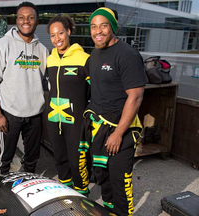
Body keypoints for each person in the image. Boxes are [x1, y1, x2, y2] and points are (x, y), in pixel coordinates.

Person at [78, 7, 148, 215]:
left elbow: (135, 97)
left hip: (121, 129)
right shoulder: (94, 56)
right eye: (93, 26)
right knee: (102, 175)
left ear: (113, 27)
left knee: (120, 180)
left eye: (103, 25)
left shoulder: (127, 55)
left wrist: (118, 134)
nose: (97, 30)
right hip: (98, 127)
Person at [0, 2, 49, 175]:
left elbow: (44, 83)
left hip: (35, 115)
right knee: (5, 158)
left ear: (37, 21)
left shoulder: (42, 50)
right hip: (9, 114)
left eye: (30, 17)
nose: (25, 21)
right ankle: (0, 191)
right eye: (21, 17)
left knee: (32, 158)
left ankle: (27, 188)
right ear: (16, 20)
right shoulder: (1, 46)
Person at [46, 16, 90, 195]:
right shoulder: (50, 59)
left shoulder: (84, 58)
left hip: (75, 120)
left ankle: (82, 194)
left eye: (60, 33)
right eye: (52, 35)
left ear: (69, 32)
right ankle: (66, 191)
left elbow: (94, 90)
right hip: (53, 119)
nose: (57, 39)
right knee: (60, 158)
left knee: (77, 161)